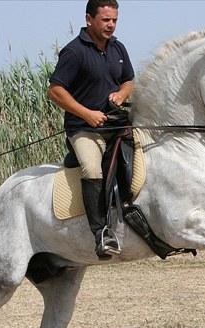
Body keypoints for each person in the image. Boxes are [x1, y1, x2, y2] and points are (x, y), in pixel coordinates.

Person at [48, 0, 134, 259]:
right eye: (106, 20)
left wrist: (121, 94)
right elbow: (55, 91)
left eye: (114, 20)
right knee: (91, 167)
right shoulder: (74, 52)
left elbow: (129, 80)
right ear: (89, 19)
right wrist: (86, 113)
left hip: (115, 123)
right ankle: (101, 233)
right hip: (84, 129)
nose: (111, 25)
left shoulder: (118, 48)